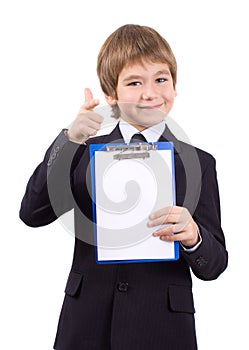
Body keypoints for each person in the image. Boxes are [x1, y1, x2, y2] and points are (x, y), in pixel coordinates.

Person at [19, 24, 228, 350]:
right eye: (134, 82)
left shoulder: (199, 163)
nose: (150, 93)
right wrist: (68, 141)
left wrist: (194, 236)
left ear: (175, 86)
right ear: (111, 96)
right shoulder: (82, 151)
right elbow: (32, 212)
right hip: (87, 325)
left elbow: (214, 264)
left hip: (164, 328)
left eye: (161, 79)